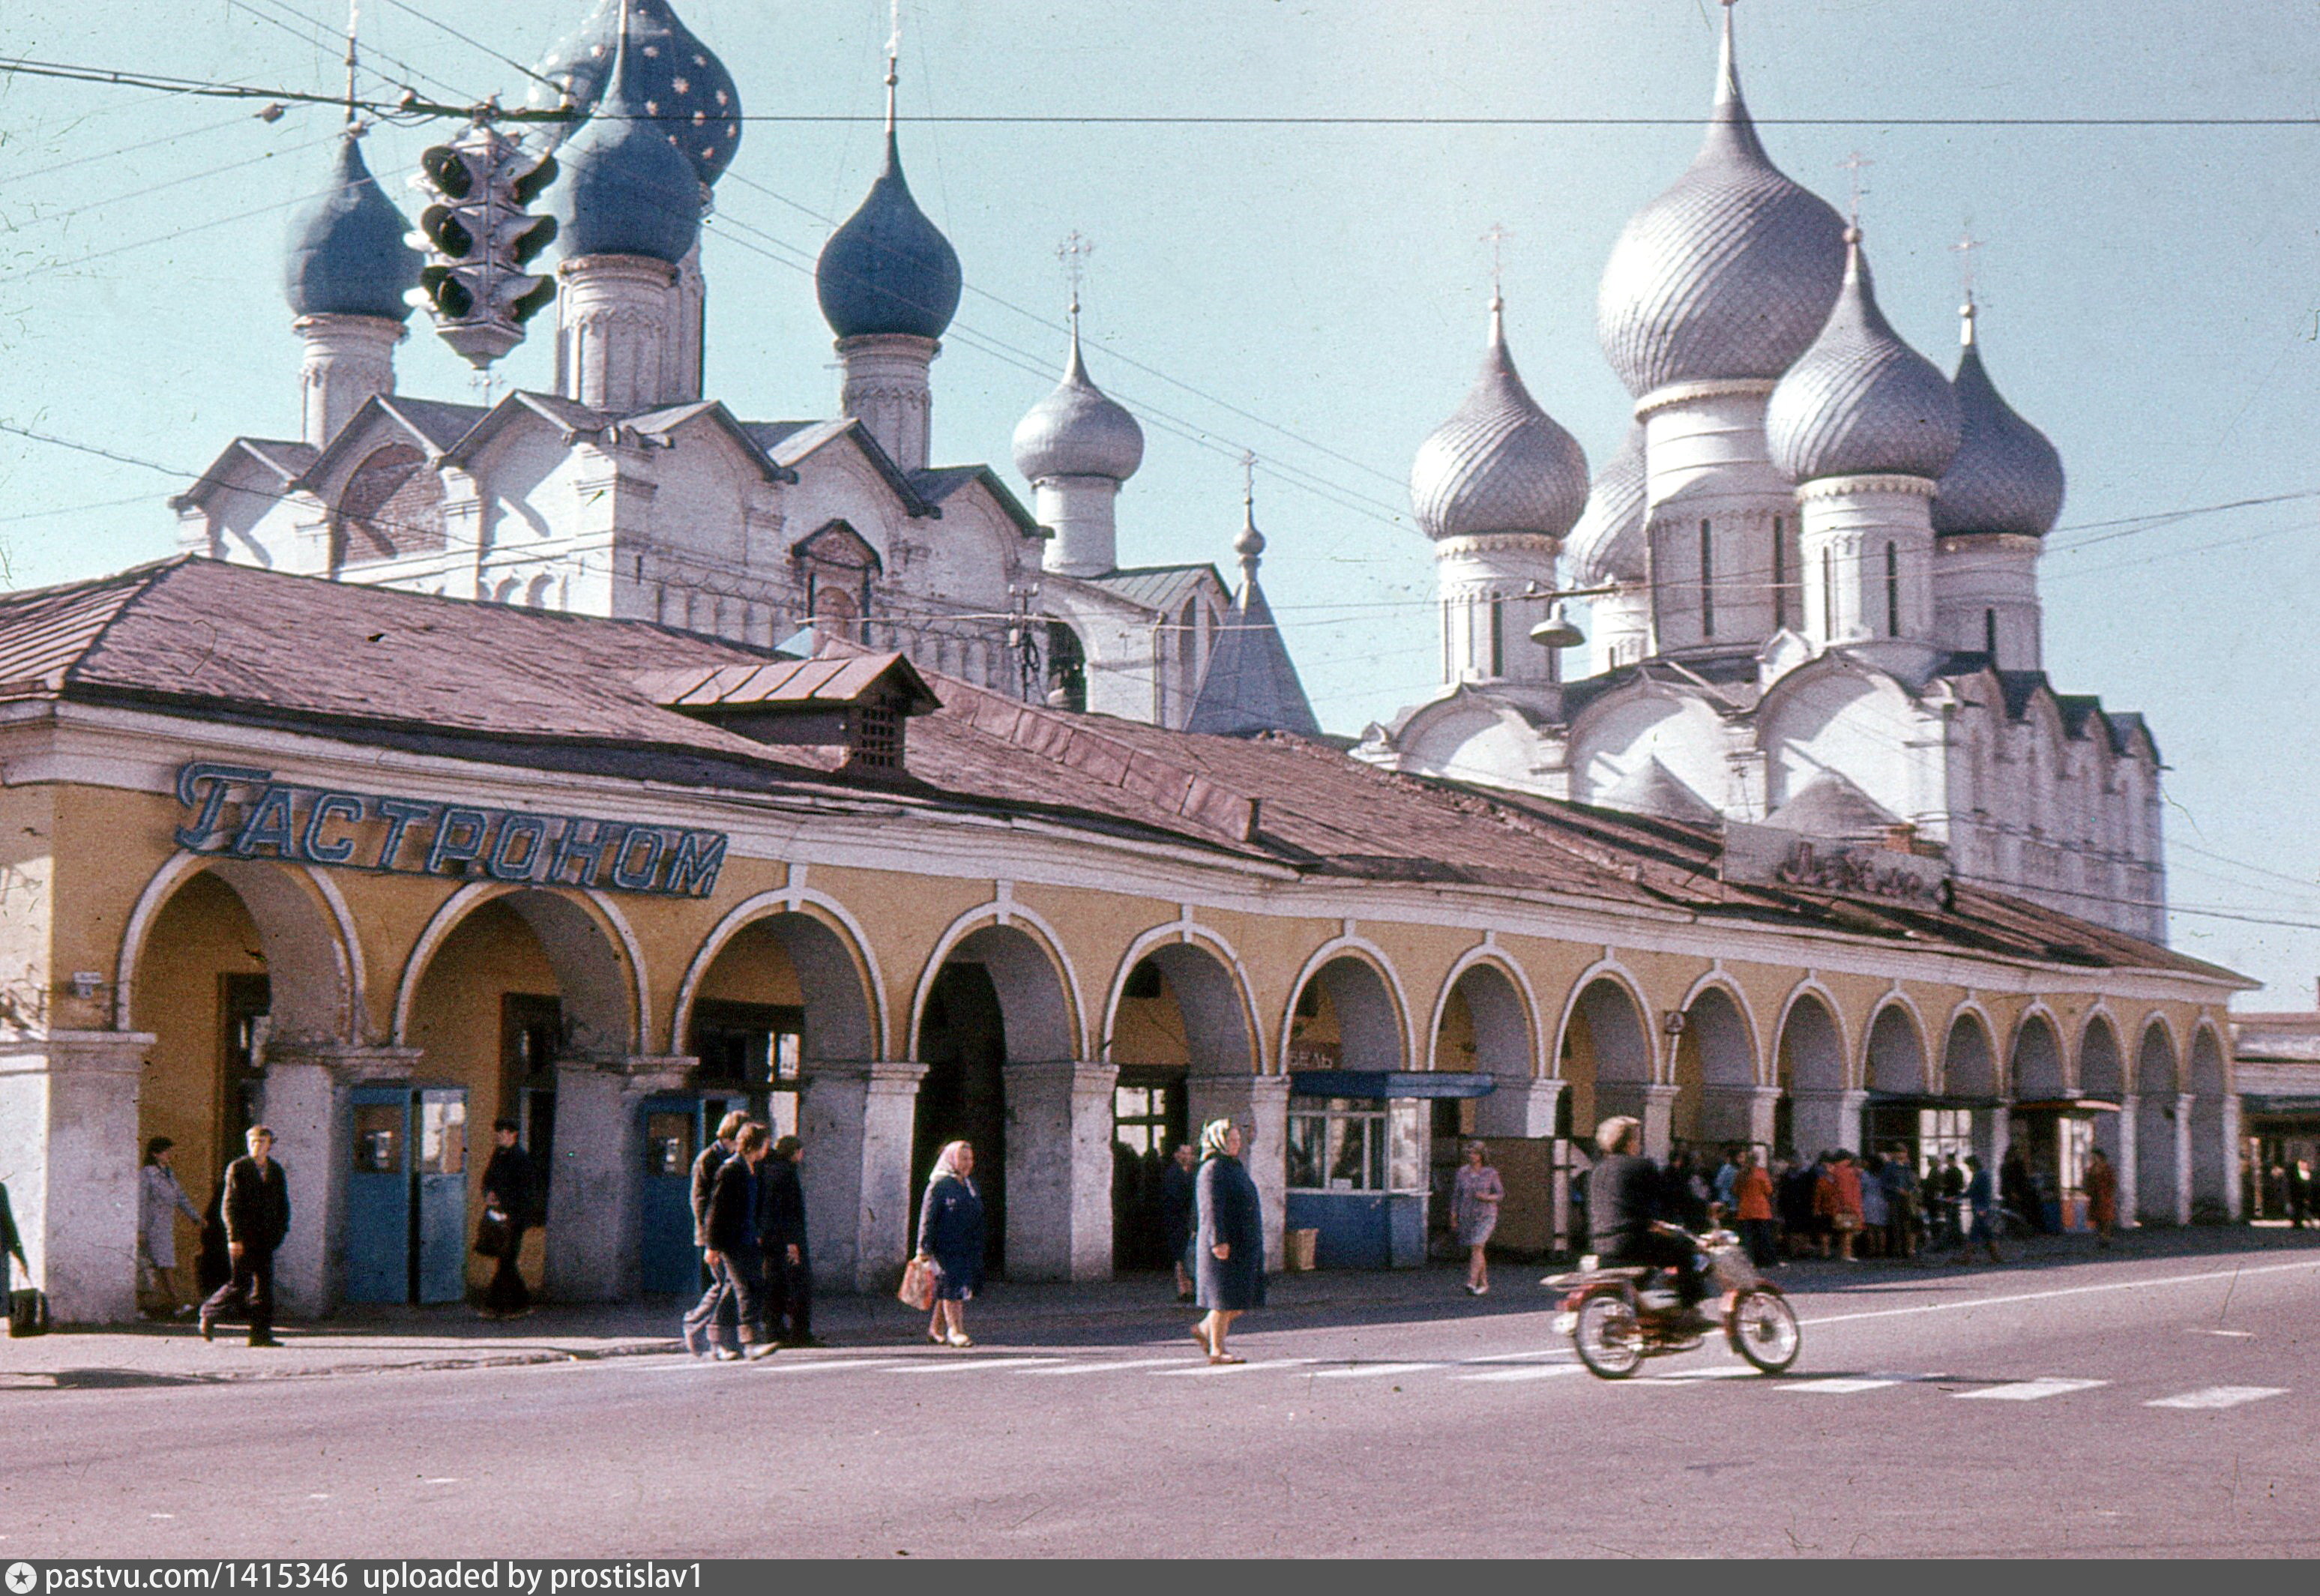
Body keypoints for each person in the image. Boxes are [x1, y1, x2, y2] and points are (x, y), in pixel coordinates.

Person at [1588, 1116, 1704, 1312]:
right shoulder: (1640, 1166)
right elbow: (1671, 1197)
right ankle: (1689, 1310)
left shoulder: (1598, 1170)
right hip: (1631, 1242)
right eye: (1637, 1139)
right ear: (1631, 1142)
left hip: (1601, 1244)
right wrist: (1703, 1210)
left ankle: (1645, 1313)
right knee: (1684, 1249)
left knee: (1650, 1262)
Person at [199, 1124, 289, 1347]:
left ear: (269, 1145)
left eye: (262, 1142)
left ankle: (260, 1334)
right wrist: (234, 1237)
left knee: (264, 1286)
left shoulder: (275, 1170)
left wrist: (281, 1230)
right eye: (253, 1142)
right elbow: (229, 1205)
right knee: (240, 1283)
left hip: (266, 1237)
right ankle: (209, 1313)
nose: (257, 1147)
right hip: (243, 1237)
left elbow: (282, 1204)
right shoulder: (238, 1168)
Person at [1193, 1118, 1265, 1364]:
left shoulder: (1233, 1166)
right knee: (1223, 1300)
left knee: (1240, 1298)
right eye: (1231, 1140)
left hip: (1242, 1244)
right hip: (1224, 1244)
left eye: (1237, 1139)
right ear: (1218, 1141)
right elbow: (1210, 1209)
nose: (1236, 1144)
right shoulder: (1212, 1169)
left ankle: (1204, 1330)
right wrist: (1218, 1240)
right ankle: (1217, 1350)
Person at [702, 1124, 777, 1359]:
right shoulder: (731, 1170)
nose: (768, 1148)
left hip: (748, 1238)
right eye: (766, 1143)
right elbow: (716, 1211)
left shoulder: (753, 1169)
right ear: (755, 1144)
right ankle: (750, 1342)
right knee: (747, 1288)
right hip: (730, 1241)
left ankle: (718, 1342)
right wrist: (711, 1246)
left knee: (735, 1289)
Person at [681, 1110, 750, 1359]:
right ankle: (700, 1328)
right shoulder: (708, 1159)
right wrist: (711, 1241)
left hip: (729, 1234)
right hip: (714, 1235)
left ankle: (702, 1329)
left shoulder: (733, 1158)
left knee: (726, 1284)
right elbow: (700, 1202)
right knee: (724, 1283)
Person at [917, 1140, 986, 1348]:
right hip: (945, 1245)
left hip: (966, 1244)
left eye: (970, 1159)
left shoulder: (969, 1184)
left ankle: (936, 1329)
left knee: (949, 1286)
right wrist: (923, 1248)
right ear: (951, 1159)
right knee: (953, 1285)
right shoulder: (939, 1185)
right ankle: (956, 1331)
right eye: (963, 1158)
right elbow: (928, 1217)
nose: (968, 1163)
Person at [759, 1134, 819, 1347]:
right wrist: (792, 1242)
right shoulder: (787, 1174)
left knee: (775, 1285)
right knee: (798, 1286)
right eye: (800, 1151)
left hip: (771, 1239)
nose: (802, 1156)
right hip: (788, 1239)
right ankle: (800, 1332)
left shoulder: (768, 1170)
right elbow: (790, 1211)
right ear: (794, 1152)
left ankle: (775, 1330)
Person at [137, 1137, 205, 1319]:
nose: (169, 1155)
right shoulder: (147, 1174)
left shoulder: (168, 1174)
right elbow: (142, 1203)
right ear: (155, 1154)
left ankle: (168, 1304)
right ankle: (173, 1304)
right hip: (152, 1226)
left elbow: (180, 1197)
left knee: (163, 1265)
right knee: (155, 1266)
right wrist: (141, 1230)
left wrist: (196, 1217)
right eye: (166, 1151)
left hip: (165, 1226)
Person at [479, 1118, 537, 1319]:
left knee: (507, 1260)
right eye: (497, 1133)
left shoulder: (521, 1158)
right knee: (506, 1260)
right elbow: (488, 1179)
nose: (498, 1137)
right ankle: (519, 1303)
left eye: (502, 1133)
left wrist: (504, 1201)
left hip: (515, 1217)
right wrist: (488, 1193)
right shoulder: (499, 1155)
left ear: (513, 1134)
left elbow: (524, 1190)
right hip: (500, 1215)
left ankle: (500, 1306)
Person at [1450, 1141, 1504, 1295]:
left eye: (1474, 1153)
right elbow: (1456, 1195)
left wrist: (1486, 1197)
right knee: (1477, 1250)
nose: (1471, 1156)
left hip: (1486, 1214)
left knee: (1477, 1245)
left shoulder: (1490, 1173)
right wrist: (1453, 1215)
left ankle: (1472, 1281)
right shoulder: (1462, 1172)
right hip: (1467, 1214)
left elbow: (1500, 1194)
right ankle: (1484, 1284)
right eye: (1469, 1153)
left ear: (1481, 1155)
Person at [1159, 1139, 1198, 1303]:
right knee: (1180, 1255)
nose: (1189, 1156)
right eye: (1185, 1153)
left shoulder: (1191, 1174)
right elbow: (1175, 1200)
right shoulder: (1174, 1174)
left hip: (1185, 1221)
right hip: (1177, 1221)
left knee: (1185, 1254)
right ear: (1177, 1155)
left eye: (1190, 1153)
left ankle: (1188, 1288)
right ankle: (1184, 1289)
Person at [1733, 1147, 1780, 1270]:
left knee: (1747, 1238)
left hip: (1745, 1209)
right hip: (1760, 1209)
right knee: (1763, 1237)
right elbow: (1769, 1190)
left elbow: (1735, 1190)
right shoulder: (1761, 1173)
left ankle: (1749, 1260)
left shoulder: (1741, 1173)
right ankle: (1766, 1261)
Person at [1953, 1154, 2003, 1265]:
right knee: (1987, 1234)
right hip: (1983, 1207)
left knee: (1974, 1233)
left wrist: (1957, 1197)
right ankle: (1996, 1256)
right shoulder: (1984, 1174)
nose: (1969, 1169)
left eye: (1969, 1166)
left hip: (1980, 1209)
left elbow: (1972, 1191)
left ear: (1973, 1165)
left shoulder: (1979, 1175)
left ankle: (1967, 1258)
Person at [1880, 1145, 1920, 1261]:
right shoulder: (1889, 1167)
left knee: (1907, 1224)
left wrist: (1911, 1191)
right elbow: (1884, 1183)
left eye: (1904, 1152)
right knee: (1896, 1224)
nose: (1902, 1155)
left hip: (1907, 1199)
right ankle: (1896, 1249)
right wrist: (1896, 1189)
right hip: (1895, 1199)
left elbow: (1913, 1182)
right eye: (1900, 1152)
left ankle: (1907, 1249)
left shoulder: (1908, 1167)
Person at [2083, 1146, 2118, 1247]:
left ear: (2100, 1157)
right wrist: (2088, 1191)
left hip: (2105, 1198)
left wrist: (2106, 1192)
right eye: (2092, 1157)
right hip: (2095, 1199)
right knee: (2098, 1220)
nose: (2093, 1159)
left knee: (2106, 1220)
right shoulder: (2091, 1170)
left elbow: (2112, 1183)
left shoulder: (2107, 1169)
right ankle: (2102, 1238)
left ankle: (2106, 1238)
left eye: (2095, 1157)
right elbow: (2089, 1183)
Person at [1857, 1150, 1888, 1259]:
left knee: (1870, 1228)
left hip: (1869, 1202)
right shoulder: (1883, 1173)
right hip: (1882, 1202)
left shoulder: (1865, 1174)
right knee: (1881, 1228)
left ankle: (1872, 1250)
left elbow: (1861, 1188)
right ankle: (1882, 1250)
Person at [2290, 1159, 2314, 1231]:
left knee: (2302, 1209)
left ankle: (2301, 1221)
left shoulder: (2308, 1174)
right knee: (2299, 1209)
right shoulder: (2297, 1175)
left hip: (2305, 1194)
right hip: (2299, 1195)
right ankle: (2298, 1222)